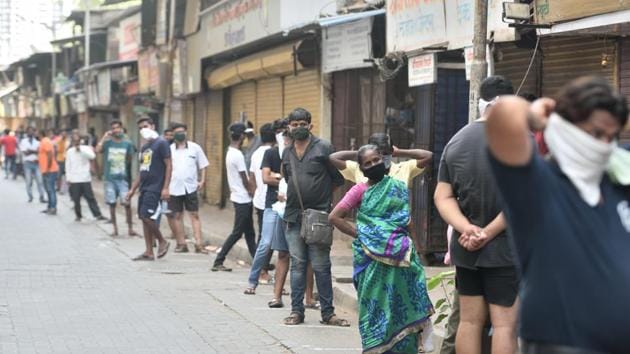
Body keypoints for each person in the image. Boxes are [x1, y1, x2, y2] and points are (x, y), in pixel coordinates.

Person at [486, 76, 630, 354]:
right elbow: (504, 114)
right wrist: (537, 114)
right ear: (565, 127)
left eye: (611, 137)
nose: (603, 146)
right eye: (596, 134)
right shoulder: (536, 184)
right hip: (561, 344)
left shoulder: (618, 179)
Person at [434, 75, 519, 354]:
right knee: (504, 326)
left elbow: (442, 196)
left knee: (469, 321)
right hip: (505, 250)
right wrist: (488, 233)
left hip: (465, 249)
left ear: (481, 103)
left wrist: (466, 228)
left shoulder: (456, 141)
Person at [329, 144, 434, 353]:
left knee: (402, 306)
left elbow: (406, 220)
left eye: (376, 160)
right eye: (367, 163)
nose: (373, 165)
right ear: (361, 168)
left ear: (384, 160)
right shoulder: (359, 189)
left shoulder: (397, 186)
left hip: (402, 257)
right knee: (375, 309)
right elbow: (334, 217)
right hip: (370, 261)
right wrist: (362, 234)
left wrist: (417, 248)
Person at [281, 107, 348, 327]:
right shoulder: (287, 151)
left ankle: (328, 313)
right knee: (298, 265)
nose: (298, 128)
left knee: (321, 266)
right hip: (293, 216)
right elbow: (287, 177)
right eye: (295, 124)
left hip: (319, 216)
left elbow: (338, 180)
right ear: (289, 127)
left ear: (310, 126)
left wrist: (326, 206)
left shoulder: (324, 148)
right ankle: (296, 312)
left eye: (303, 124)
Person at [125, 116, 172, 261]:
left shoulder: (161, 143)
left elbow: (169, 165)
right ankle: (148, 251)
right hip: (144, 187)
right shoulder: (145, 148)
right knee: (143, 217)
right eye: (140, 128)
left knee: (146, 215)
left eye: (145, 126)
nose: (142, 130)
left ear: (152, 126)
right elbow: (142, 170)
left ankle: (162, 241)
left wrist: (165, 188)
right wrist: (133, 189)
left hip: (155, 187)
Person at [211, 122, 257, 271]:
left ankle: (259, 262)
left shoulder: (230, 151)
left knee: (250, 233)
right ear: (242, 136)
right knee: (237, 233)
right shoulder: (237, 155)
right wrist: (252, 191)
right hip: (242, 198)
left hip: (239, 197)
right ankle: (219, 260)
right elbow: (244, 178)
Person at [244, 122, 278, 294]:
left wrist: (253, 193)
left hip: (260, 200)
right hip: (269, 201)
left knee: (265, 239)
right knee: (267, 241)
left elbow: (251, 178)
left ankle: (262, 272)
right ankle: (261, 272)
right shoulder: (271, 153)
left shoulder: (256, 152)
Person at [167, 123, 209, 253]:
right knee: (177, 215)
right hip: (174, 187)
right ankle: (181, 244)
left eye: (182, 131)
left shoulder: (195, 148)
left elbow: (203, 165)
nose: (180, 134)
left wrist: (202, 180)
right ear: (173, 135)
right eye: (177, 132)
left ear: (186, 132)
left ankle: (199, 244)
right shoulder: (169, 149)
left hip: (190, 187)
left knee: (194, 214)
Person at [330, 133, 432, 187]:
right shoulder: (360, 169)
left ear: (391, 152)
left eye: (385, 154)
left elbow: (428, 156)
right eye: (377, 155)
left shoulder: (403, 168)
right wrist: (364, 153)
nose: (381, 159)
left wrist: (399, 151)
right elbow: (334, 157)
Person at [96, 120, 138, 237]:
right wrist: (104, 137)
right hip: (109, 179)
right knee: (112, 204)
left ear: (121, 129)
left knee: (127, 203)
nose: (115, 130)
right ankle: (115, 229)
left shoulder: (127, 143)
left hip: (123, 179)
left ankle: (130, 228)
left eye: (117, 128)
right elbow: (97, 150)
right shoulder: (107, 143)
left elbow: (130, 157)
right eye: (113, 128)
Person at [66, 134, 107, 222]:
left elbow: (92, 156)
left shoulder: (86, 149)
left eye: (77, 141)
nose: (76, 143)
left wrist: (81, 150)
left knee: (90, 197)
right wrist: (68, 178)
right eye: (74, 141)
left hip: (85, 178)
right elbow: (68, 165)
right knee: (76, 199)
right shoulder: (69, 151)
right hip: (74, 179)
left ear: (80, 141)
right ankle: (78, 215)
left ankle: (98, 214)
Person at [19, 127, 46, 203]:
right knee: (29, 181)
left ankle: (42, 197)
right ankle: (30, 196)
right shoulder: (23, 141)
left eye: (32, 131)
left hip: (37, 163)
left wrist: (30, 151)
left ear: (34, 133)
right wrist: (34, 151)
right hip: (27, 164)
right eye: (29, 131)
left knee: (40, 181)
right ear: (27, 133)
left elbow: (39, 152)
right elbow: (25, 152)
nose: (30, 133)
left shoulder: (38, 142)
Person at [38, 129, 59, 215]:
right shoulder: (43, 141)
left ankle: (53, 208)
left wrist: (47, 168)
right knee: (48, 189)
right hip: (46, 170)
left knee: (51, 189)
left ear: (40, 134)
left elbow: (50, 155)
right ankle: (50, 207)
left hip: (50, 170)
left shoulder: (45, 141)